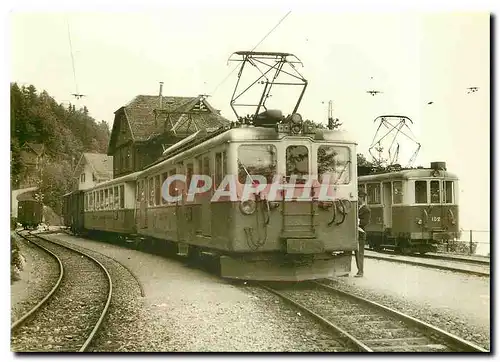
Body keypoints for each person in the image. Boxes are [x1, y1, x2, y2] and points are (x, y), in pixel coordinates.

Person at [355, 190, 371, 277]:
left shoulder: (366, 209)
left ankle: (360, 271)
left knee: (359, 253)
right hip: (353, 232)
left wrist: (356, 221)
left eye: (358, 197)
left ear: (361, 198)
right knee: (348, 251)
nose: (357, 199)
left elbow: (365, 222)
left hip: (360, 233)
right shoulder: (356, 207)